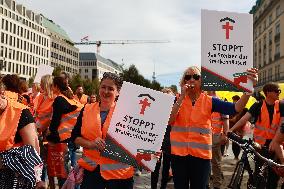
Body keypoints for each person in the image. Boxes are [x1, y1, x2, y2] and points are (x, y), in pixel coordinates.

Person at [168, 66, 258, 189]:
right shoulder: (176, 100)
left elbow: (235, 108)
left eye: (196, 77)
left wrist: (248, 90)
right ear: (183, 81)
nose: (191, 79)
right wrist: (182, 98)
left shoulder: (210, 101)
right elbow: (170, 120)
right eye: (187, 77)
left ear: (202, 81)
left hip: (201, 157)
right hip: (179, 157)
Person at [71, 72, 134, 189]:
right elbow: (75, 137)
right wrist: (90, 144)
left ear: (118, 92)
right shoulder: (87, 109)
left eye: (110, 88)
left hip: (120, 176)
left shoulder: (128, 113)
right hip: (92, 172)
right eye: (103, 87)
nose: (105, 91)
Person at [230, 82, 284, 189]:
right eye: (277, 91)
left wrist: (276, 141)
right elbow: (243, 119)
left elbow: (282, 124)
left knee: (273, 177)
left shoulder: (281, 105)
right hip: (260, 146)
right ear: (268, 93)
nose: (279, 93)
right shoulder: (258, 105)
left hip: (276, 146)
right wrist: (231, 129)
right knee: (258, 174)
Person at [0, 88, 44, 188]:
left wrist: (37, 179)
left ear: (2, 93)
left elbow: (32, 152)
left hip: (15, 177)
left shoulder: (20, 113)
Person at [46, 76, 83, 189]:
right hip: (73, 139)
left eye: (52, 86)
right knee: (70, 171)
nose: (51, 88)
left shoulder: (59, 99)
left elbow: (55, 122)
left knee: (63, 174)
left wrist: (49, 133)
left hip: (63, 140)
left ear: (56, 87)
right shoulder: (71, 99)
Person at [151, 87, 174, 189]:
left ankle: (163, 187)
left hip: (170, 143)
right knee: (154, 168)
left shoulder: (175, 110)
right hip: (157, 143)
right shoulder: (156, 110)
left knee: (166, 169)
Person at [34, 75, 55, 185]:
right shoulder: (42, 97)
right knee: (39, 161)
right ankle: (40, 183)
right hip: (38, 133)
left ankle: (46, 184)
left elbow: (50, 117)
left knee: (46, 163)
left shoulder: (54, 98)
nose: (40, 85)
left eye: (42, 83)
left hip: (47, 135)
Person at [207, 91, 229, 189]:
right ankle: (206, 183)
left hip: (215, 136)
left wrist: (225, 134)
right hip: (203, 137)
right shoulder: (202, 99)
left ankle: (216, 184)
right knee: (206, 162)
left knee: (215, 162)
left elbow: (225, 119)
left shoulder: (220, 101)